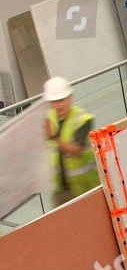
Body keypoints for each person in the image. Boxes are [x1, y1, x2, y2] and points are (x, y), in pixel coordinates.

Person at [42, 76, 99, 205]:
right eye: (54, 102)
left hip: (87, 189)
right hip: (61, 190)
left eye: (61, 100)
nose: (58, 105)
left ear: (70, 98)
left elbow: (76, 150)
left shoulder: (83, 119)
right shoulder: (49, 119)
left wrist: (54, 137)